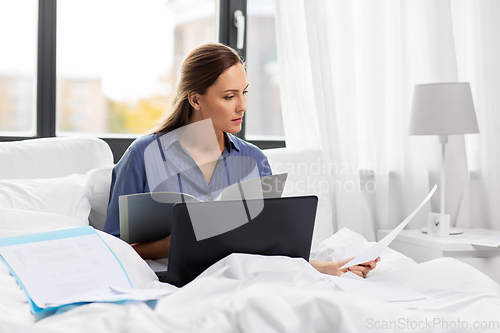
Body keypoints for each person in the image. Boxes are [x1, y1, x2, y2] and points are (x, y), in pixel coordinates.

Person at [103, 43, 378, 278]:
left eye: (244, 92)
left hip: (243, 278)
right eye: (229, 96)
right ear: (195, 99)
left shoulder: (254, 160)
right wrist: (170, 245)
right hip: (169, 282)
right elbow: (112, 247)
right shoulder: (143, 155)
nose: (242, 106)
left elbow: (269, 250)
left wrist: (331, 267)